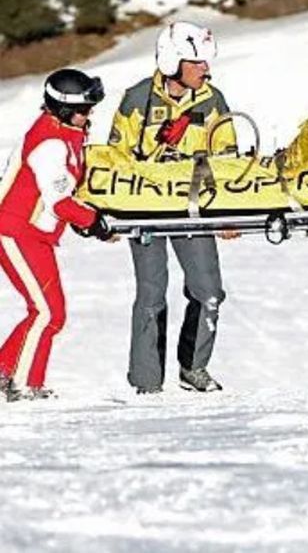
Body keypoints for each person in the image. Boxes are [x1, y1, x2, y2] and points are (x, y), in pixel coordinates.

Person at [109, 21, 237, 394]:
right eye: (197, 63)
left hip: (193, 210)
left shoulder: (213, 101)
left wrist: (228, 212)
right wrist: (112, 215)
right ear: (173, 61)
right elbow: (116, 159)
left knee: (208, 290)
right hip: (144, 212)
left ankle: (193, 368)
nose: (206, 70)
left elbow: (227, 158)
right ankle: (147, 382)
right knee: (151, 293)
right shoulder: (137, 100)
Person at [0, 69, 112, 401]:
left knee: (48, 312)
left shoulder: (67, 132)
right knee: (48, 313)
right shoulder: (49, 141)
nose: (89, 115)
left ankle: (7, 369)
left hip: (35, 234)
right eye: (84, 109)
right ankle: (24, 384)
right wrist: (96, 222)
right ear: (63, 109)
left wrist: (91, 219)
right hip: (15, 232)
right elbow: (59, 201)